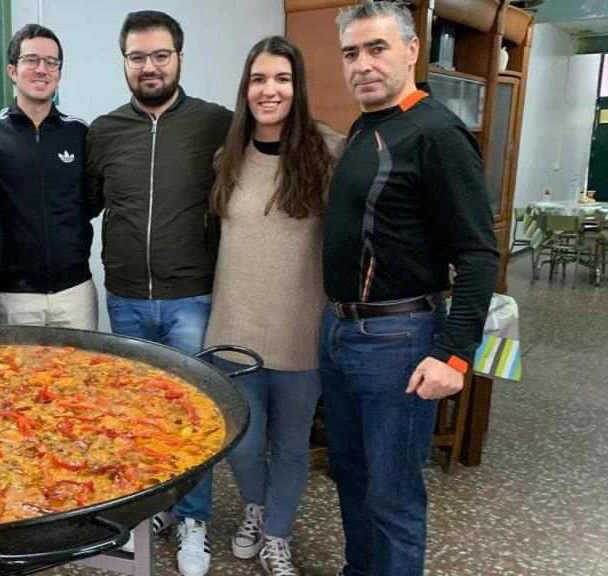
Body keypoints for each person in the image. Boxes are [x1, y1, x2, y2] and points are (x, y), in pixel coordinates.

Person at [321, 2, 499, 575]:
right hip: (342, 332)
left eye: (377, 48)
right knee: (350, 475)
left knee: (392, 497)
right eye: (351, 52)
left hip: (398, 340)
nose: (363, 64)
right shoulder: (365, 126)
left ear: (412, 50)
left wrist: (455, 354)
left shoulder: (437, 133)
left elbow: (477, 254)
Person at [83, 10, 232, 576]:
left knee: (194, 416)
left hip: (191, 297)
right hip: (124, 297)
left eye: (160, 55)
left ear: (179, 59)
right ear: (124, 61)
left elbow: (280, 141)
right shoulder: (103, 131)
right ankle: (154, 510)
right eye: (138, 56)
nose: (149, 67)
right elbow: (82, 205)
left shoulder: (216, 123)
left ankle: (193, 521)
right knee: (136, 416)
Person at [203, 35, 343, 576]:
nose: (270, 90)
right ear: (246, 88)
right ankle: (256, 509)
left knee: (289, 447)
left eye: (282, 79)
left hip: (300, 330)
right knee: (240, 444)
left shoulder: (329, 151)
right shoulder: (227, 155)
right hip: (233, 329)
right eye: (259, 79)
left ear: (297, 87)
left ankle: (277, 534)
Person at [0, 24, 96, 330]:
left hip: (75, 292)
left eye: (51, 62)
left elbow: (92, 199)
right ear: (13, 71)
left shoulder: (81, 133)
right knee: (16, 378)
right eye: (31, 60)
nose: (41, 70)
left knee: (88, 377)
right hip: (14, 294)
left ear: (59, 72)